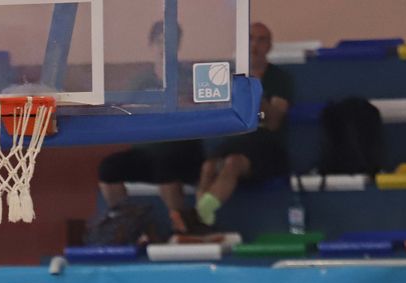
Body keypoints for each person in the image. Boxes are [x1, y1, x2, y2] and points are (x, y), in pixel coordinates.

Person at [96, 21, 206, 236]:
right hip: (146, 154)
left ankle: (183, 226)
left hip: (184, 152)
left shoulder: (191, 77)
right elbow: (124, 111)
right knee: (108, 168)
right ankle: (128, 222)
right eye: (160, 41)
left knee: (164, 164)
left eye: (171, 42)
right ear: (151, 45)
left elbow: (201, 109)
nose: (165, 47)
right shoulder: (141, 81)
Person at [192, 22, 292, 228]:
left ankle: (200, 213)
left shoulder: (279, 78)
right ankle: (202, 219)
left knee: (233, 163)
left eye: (261, 40)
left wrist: (255, 96)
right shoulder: (229, 75)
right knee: (208, 166)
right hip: (238, 138)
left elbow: (273, 122)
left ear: (269, 46)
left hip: (266, 144)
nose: (254, 45)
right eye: (250, 39)